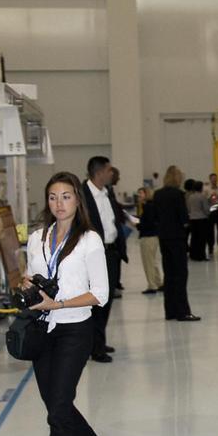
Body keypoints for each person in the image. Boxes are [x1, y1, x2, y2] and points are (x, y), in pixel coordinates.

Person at [23, 172, 110, 436]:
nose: (59, 204)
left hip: (75, 329)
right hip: (41, 330)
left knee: (58, 408)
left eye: (66, 196)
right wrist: (27, 285)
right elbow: (32, 278)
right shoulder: (36, 238)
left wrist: (58, 305)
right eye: (52, 197)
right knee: (57, 406)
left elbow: (99, 294)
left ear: (78, 200)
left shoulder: (90, 241)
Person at [81, 155, 128, 363]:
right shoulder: (82, 195)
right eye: (109, 170)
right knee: (97, 300)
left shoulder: (107, 192)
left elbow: (112, 220)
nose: (112, 173)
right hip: (94, 255)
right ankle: (95, 347)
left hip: (112, 253)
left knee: (106, 300)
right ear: (99, 172)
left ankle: (99, 340)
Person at [152, 166, 199, 322]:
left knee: (169, 274)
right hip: (177, 238)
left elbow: (155, 216)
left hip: (163, 238)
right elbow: (184, 217)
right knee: (180, 274)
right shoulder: (178, 195)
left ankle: (170, 311)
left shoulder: (158, 194)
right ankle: (183, 311)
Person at [135, 186, 163, 295]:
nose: (139, 196)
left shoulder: (148, 207)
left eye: (140, 193)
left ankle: (152, 285)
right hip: (153, 237)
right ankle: (158, 282)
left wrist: (138, 225)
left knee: (148, 262)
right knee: (153, 261)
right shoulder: (151, 205)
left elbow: (148, 223)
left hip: (148, 237)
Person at [186, 179, 210, 261]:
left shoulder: (190, 197)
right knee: (202, 238)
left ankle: (193, 255)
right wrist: (208, 214)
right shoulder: (202, 197)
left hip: (192, 219)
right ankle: (201, 255)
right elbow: (206, 209)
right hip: (201, 219)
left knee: (194, 238)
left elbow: (189, 208)